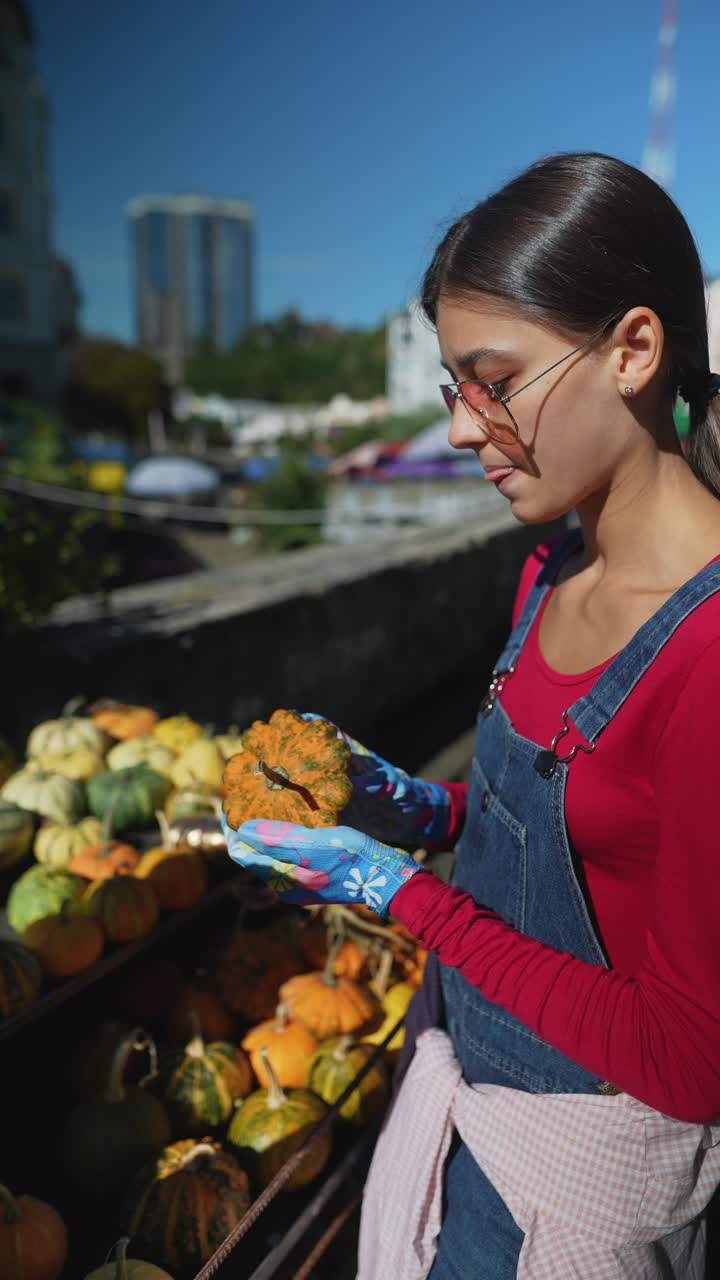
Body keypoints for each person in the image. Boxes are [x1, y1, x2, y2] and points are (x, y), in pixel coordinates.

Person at [221, 152, 720, 1279]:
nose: (460, 428)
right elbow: (566, 826)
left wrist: (400, 894)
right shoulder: (550, 564)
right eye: (454, 387)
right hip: (462, 1108)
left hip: (580, 1182)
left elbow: (686, 1059)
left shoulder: (706, 657)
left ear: (635, 350)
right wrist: (409, 806)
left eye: (493, 379)